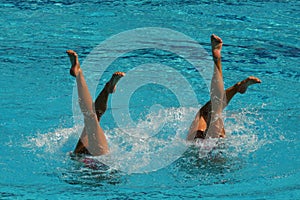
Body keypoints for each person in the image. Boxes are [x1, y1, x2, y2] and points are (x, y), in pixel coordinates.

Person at [186, 34, 261, 141]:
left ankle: (235, 86)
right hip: (217, 147)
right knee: (214, 110)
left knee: (208, 111)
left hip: (197, 144)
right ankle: (235, 86)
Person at [67, 50, 125, 156]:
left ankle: (80, 74)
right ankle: (106, 89)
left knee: (92, 117)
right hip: (98, 156)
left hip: (80, 156)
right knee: (93, 118)